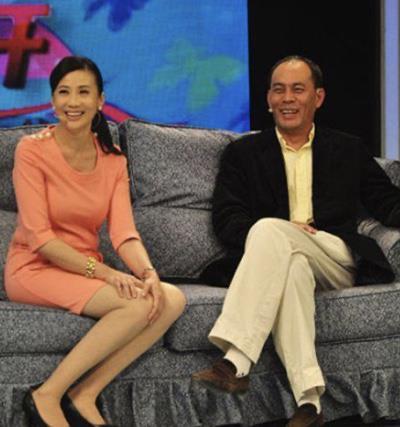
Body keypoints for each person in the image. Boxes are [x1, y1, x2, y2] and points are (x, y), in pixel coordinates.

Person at [192, 55, 400, 427]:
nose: (287, 98)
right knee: (292, 265)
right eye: (278, 90)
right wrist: (283, 233)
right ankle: (309, 402)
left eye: (297, 89)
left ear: (317, 98)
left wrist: (280, 231)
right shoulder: (243, 154)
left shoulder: (348, 148)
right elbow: (227, 219)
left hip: (334, 254)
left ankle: (236, 360)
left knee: (272, 231)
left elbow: (387, 203)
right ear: (268, 99)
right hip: (282, 256)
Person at [4, 56, 186, 427]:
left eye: (83, 92)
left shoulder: (113, 160)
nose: (73, 102)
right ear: (53, 101)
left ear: (100, 100)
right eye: (64, 92)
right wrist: (106, 274)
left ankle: (85, 393)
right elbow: (40, 239)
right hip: (33, 269)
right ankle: (46, 395)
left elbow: (124, 233)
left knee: (170, 299)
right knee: (135, 306)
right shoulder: (31, 150)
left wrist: (148, 272)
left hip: (83, 269)